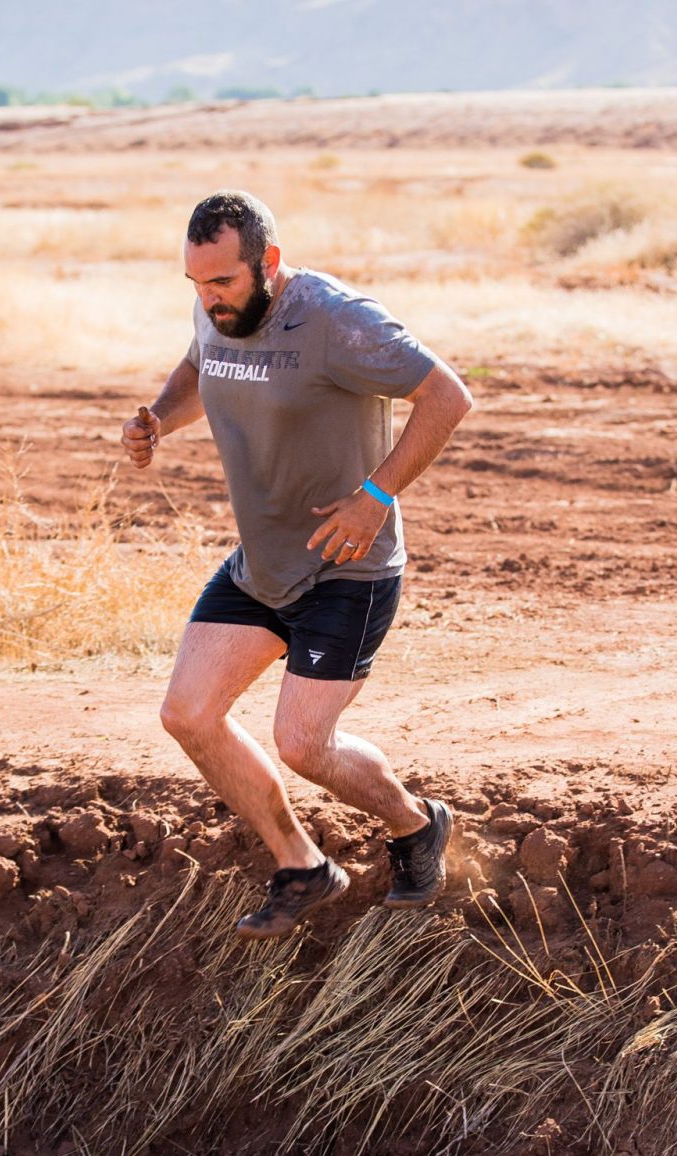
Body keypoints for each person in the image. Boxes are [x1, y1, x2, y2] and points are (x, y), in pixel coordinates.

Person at [121, 190, 473, 939]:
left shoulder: (336, 319)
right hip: (263, 564)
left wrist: (375, 495)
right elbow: (199, 366)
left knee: (303, 743)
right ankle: (303, 865)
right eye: (196, 285)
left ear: (269, 263)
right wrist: (157, 417)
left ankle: (417, 826)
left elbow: (447, 395)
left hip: (348, 566)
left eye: (223, 283)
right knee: (187, 713)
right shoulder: (213, 310)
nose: (209, 299)